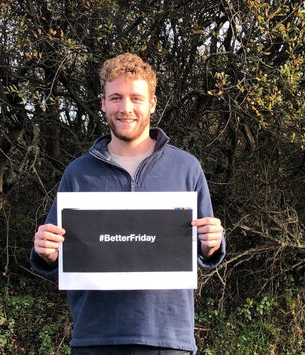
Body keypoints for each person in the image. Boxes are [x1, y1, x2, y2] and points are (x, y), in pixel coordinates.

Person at [31, 53, 226, 355]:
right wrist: (45, 251)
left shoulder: (186, 168)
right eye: (116, 98)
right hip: (95, 338)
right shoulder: (78, 173)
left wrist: (211, 243)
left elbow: (206, 251)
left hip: (168, 339)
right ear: (103, 103)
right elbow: (52, 255)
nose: (126, 108)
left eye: (136, 98)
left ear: (152, 103)